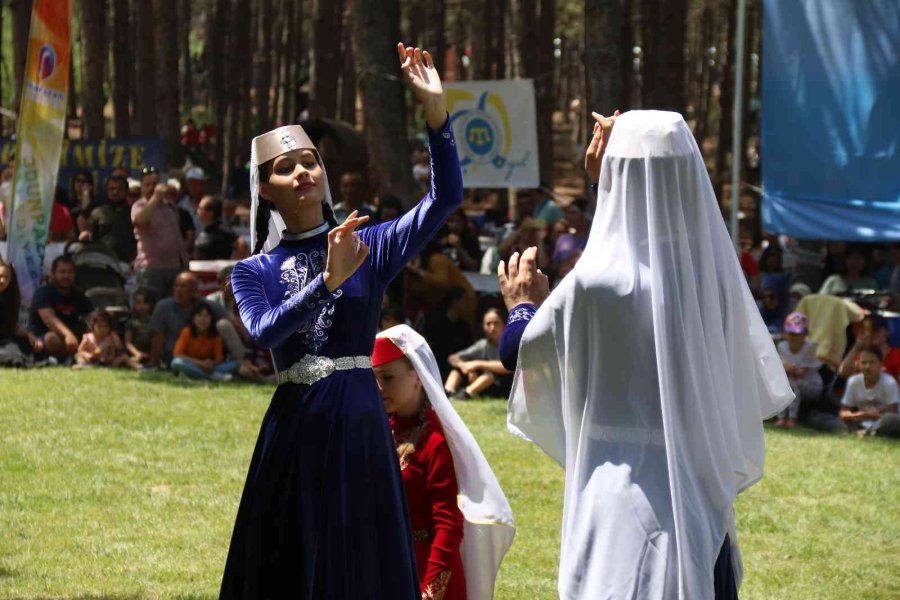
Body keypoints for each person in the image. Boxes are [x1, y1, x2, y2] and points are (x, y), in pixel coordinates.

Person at [496, 110, 793, 599]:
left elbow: (519, 351)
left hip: (618, 497)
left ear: (621, 176)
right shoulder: (709, 276)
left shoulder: (595, 283)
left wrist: (522, 306)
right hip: (695, 492)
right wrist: (606, 181)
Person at [220, 44, 463, 597]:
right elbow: (264, 331)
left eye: (310, 162)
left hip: (358, 417)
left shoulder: (370, 244)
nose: (302, 172)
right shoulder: (252, 270)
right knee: (293, 554)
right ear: (265, 190)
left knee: (361, 554)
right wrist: (327, 281)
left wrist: (435, 115)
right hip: (297, 423)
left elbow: (445, 197)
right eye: (285, 168)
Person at [372, 325, 515, 600]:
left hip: (426, 569)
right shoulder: (379, 429)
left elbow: (448, 524)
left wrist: (430, 590)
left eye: (387, 378)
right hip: (387, 564)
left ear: (416, 376)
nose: (379, 388)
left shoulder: (436, 440)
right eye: (374, 378)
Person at [147, 271, 240, 367]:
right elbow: (157, 336)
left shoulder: (205, 305)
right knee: (177, 363)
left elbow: (231, 318)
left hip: (207, 360)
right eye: (176, 286)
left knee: (224, 325)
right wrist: (152, 362)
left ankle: (242, 362)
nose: (178, 290)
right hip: (178, 358)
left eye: (183, 287)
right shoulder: (163, 306)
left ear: (194, 290)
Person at [132, 166, 188, 300]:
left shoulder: (170, 206)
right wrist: (156, 197)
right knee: (149, 306)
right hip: (150, 269)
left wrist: (184, 262)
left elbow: (176, 236)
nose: (152, 188)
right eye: (148, 185)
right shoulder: (139, 205)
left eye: (155, 184)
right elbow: (140, 220)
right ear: (142, 188)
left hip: (174, 267)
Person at [27, 255, 94, 362]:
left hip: (71, 337)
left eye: (70, 272)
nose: (66, 276)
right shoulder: (43, 293)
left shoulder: (78, 294)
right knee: (52, 338)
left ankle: (79, 356)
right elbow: (49, 319)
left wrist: (98, 334)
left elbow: (92, 316)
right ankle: (75, 357)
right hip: (42, 338)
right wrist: (68, 335)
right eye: (62, 272)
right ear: (53, 274)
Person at [444, 308, 510, 400]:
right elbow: (452, 358)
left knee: (490, 375)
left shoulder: (511, 344)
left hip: (503, 386)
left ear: (505, 325)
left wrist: (476, 364)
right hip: (483, 385)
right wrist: (464, 367)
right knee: (456, 371)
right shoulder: (483, 344)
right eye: (488, 324)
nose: (492, 327)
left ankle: (465, 394)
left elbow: (509, 366)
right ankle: (447, 393)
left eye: (496, 323)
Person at [840, 345, 900, 437]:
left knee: (891, 420)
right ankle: (864, 432)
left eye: (872, 363)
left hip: (883, 423)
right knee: (829, 420)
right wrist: (850, 415)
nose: (867, 366)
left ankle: (865, 433)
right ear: (858, 365)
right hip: (860, 422)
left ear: (880, 365)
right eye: (863, 363)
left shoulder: (889, 383)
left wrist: (868, 415)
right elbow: (844, 411)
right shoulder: (853, 381)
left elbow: (892, 415)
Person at [775, 312, 823, 428]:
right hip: (790, 382)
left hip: (811, 386)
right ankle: (781, 416)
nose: (794, 337)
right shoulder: (782, 346)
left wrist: (788, 368)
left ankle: (791, 418)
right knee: (784, 384)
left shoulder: (810, 347)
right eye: (791, 333)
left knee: (793, 384)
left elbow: (800, 373)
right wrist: (786, 368)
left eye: (798, 334)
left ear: (805, 334)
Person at [170, 302, 237, 381]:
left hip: (209, 367)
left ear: (211, 319)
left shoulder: (214, 334)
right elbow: (177, 354)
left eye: (206, 316)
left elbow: (219, 359)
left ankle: (194, 374)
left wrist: (211, 363)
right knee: (176, 363)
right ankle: (212, 376)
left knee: (235, 364)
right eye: (199, 316)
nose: (203, 320)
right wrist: (200, 363)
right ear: (193, 318)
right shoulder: (187, 332)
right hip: (191, 364)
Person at [79, 175, 137, 262]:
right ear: (107, 191)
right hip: (102, 259)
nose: (115, 192)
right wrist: (85, 235)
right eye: (112, 189)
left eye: (119, 189)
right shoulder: (98, 212)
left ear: (126, 191)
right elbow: (88, 231)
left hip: (127, 261)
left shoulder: (134, 212)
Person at [423, 286, 475, 380]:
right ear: (455, 301)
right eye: (465, 300)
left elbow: (470, 349)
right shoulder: (436, 323)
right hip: (437, 369)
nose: (467, 305)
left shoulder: (463, 326)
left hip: (459, 368)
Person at [0, 261, 42, 367]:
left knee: (26, 343)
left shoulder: (9, 299)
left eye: (7, 277)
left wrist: (28, 335)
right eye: (0, 276)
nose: (3, 281)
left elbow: (11, 325)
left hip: (5, 341)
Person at [838, 314, 900, 380]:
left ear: (887, 332)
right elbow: (844, 372)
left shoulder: (897, 355)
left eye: (876, 329)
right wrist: (856, 346)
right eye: (868, 330)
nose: (873, 333)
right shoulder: (861, 356)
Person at [193, 195, 250, 260]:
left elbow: (242, 244)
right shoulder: (204, 227)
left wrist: (232, 262)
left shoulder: (221, 228)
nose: (198, 211)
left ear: (211, 212)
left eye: (200, 208)